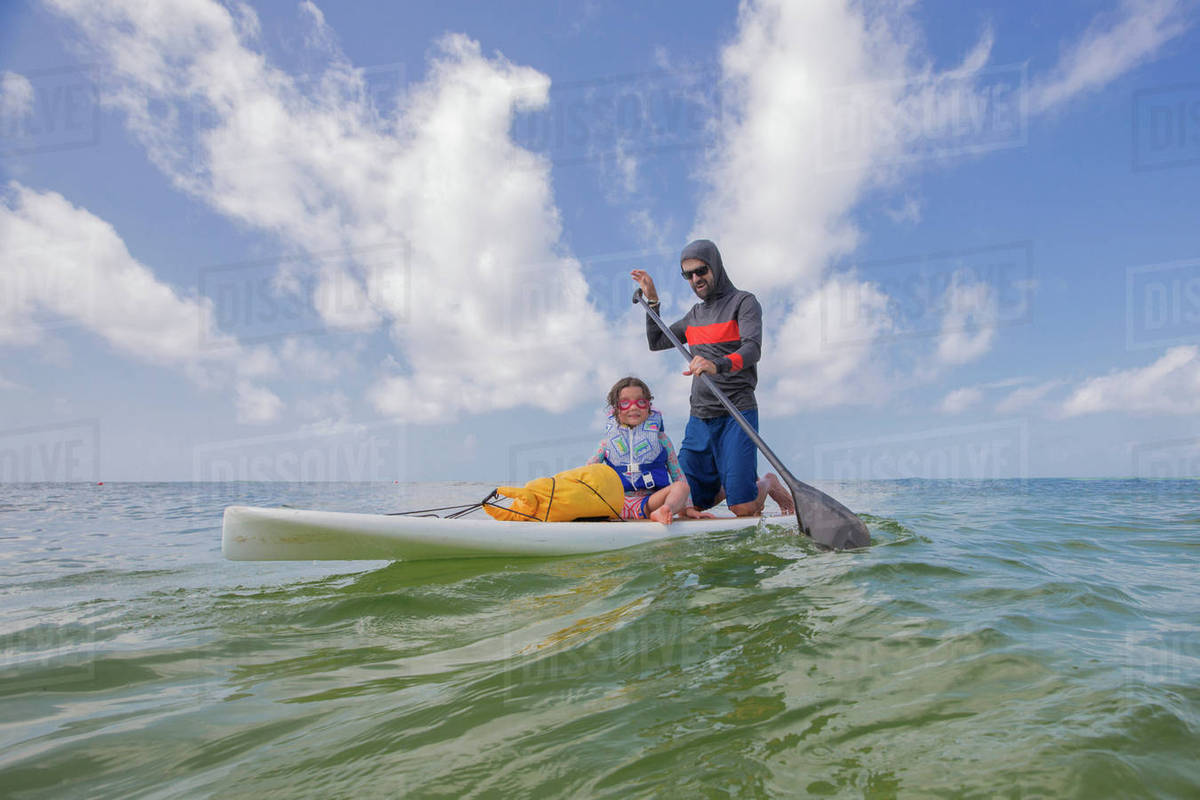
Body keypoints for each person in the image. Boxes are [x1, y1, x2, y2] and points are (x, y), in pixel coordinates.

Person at [631, 239, 794, 517]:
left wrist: (716, 365)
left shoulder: (743, 302)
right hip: (700, 417)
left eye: (701, 271)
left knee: (742, 507)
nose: (696, 279)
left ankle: (767, 483)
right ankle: (727, 480)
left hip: (737, 412)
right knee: (683, 501)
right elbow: (657, 340)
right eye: (688, 275)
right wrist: (654, 302)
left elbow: (752, 349)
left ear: (715, 266)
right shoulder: (694, 316)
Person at [587, 376, 697, 525]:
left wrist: (688, 507)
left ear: (648, 406)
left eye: (641, 402)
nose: (634, 407)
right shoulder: (606, 444)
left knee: (681, 487)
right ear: (615, 409)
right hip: (616, 503)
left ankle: (665, 510)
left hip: (649, 503)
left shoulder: (661, 439)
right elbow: (587, 473)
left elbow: (677, 473)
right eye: (625, 403)